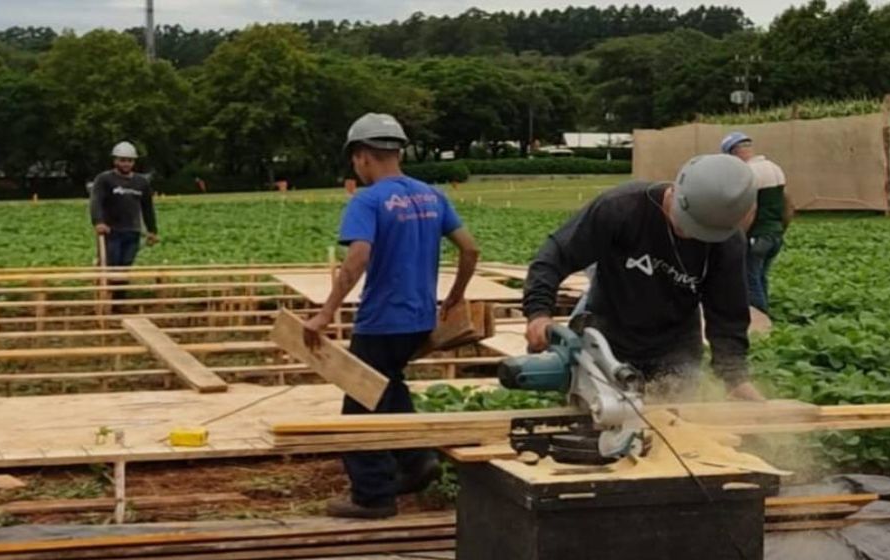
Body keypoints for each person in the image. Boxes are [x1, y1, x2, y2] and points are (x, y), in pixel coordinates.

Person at [302, 113, 480, 519]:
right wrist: (454, 297)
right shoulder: (431, 195)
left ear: (363, 156)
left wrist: (325, 313)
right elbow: (470, 249)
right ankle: (417, 460)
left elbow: (359, 255)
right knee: (389, 385)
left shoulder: (368, 200)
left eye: (355, 161)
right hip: (419, 321)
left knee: (358, 408)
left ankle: (373, 496)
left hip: (382, 321)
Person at [523, 153, 766, 402]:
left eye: (700, 233)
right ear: (674, 191)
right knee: (602, 425)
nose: (689, 236)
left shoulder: (726, 242)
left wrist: (735, 378)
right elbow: (556, 255)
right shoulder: (621, 208)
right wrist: (539, 312)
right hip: (608, 341)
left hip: (676, 348)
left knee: (675, 427)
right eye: (684, 225)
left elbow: (728, 314)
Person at [721, 132, 794, 315]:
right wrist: (781, 228)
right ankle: (765, 315)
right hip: (774, 234)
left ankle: (759, 319)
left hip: (758, 235)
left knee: (750, 279)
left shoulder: (748, 172)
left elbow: (751, 209)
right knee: (761, 276)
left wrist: (740, 236)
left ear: (734, 153)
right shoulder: (774, 168)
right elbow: (789, 204)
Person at [89, 141, 159, 300]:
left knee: (125, 267)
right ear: (115, 161)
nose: (126, 163)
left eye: (129, 160)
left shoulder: (141, 182)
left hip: (132, 231)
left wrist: (152, 230)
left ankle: (119, 302)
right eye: (122, 160)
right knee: (111, 266)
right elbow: (96, 202)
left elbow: (147, 207)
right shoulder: (105, 179)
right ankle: (105, 299)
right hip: (111, 231)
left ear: (134, 162)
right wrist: (98, 221)